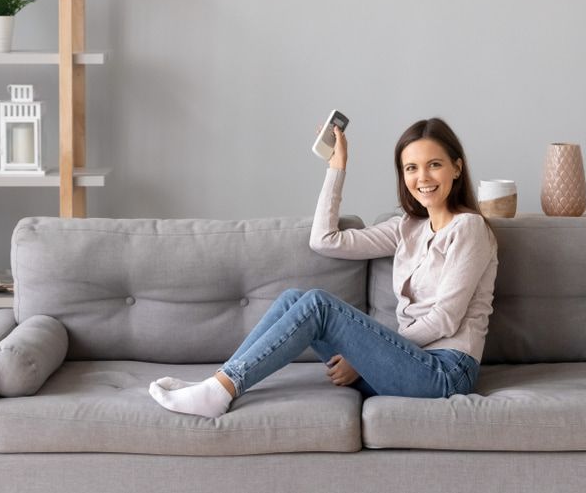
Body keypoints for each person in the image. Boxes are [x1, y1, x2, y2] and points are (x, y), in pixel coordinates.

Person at [149, 117, 499, 417]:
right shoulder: (406, 227)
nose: (423, 177)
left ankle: (219, 391)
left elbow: (445, 319)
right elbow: (324, 240)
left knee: (317, 304)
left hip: (444, 373)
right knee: (292, 300)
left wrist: (364, 359)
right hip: (402, 365)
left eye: (434, 164)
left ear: (456, 166)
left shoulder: (469, 229)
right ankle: (220, 383)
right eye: (411, 167)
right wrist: (336, 167)